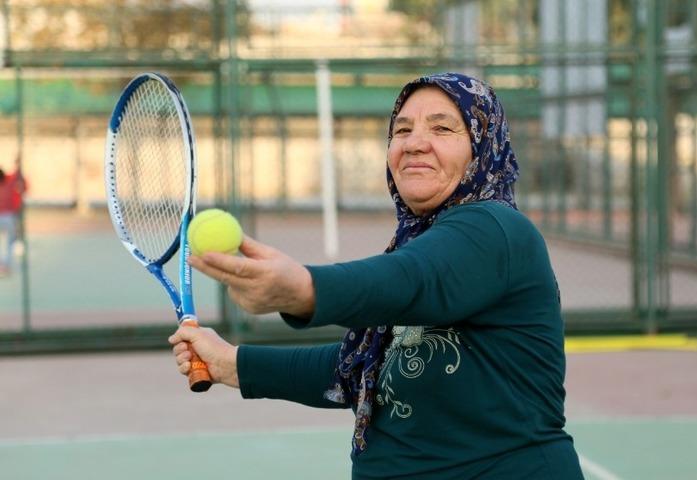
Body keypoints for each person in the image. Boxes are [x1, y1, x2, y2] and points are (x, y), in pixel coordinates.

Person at [169, 72, 585, 479]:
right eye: (401, 130)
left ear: (482, 147)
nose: (415, 143)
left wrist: (300, 289)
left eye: (442, 128)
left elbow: (410, 279)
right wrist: (232, 364)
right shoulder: (420, 240)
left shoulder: (496, 229)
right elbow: (365, 363)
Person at [0, 161, 27, 276]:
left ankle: (4, 266)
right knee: (10, 242)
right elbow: (18, 176)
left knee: (9, 242)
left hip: (7, 216)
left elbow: (18, 177)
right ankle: (5, 266)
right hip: (8, 217)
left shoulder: (9, 182)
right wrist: (18, 163)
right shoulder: (9, 182)